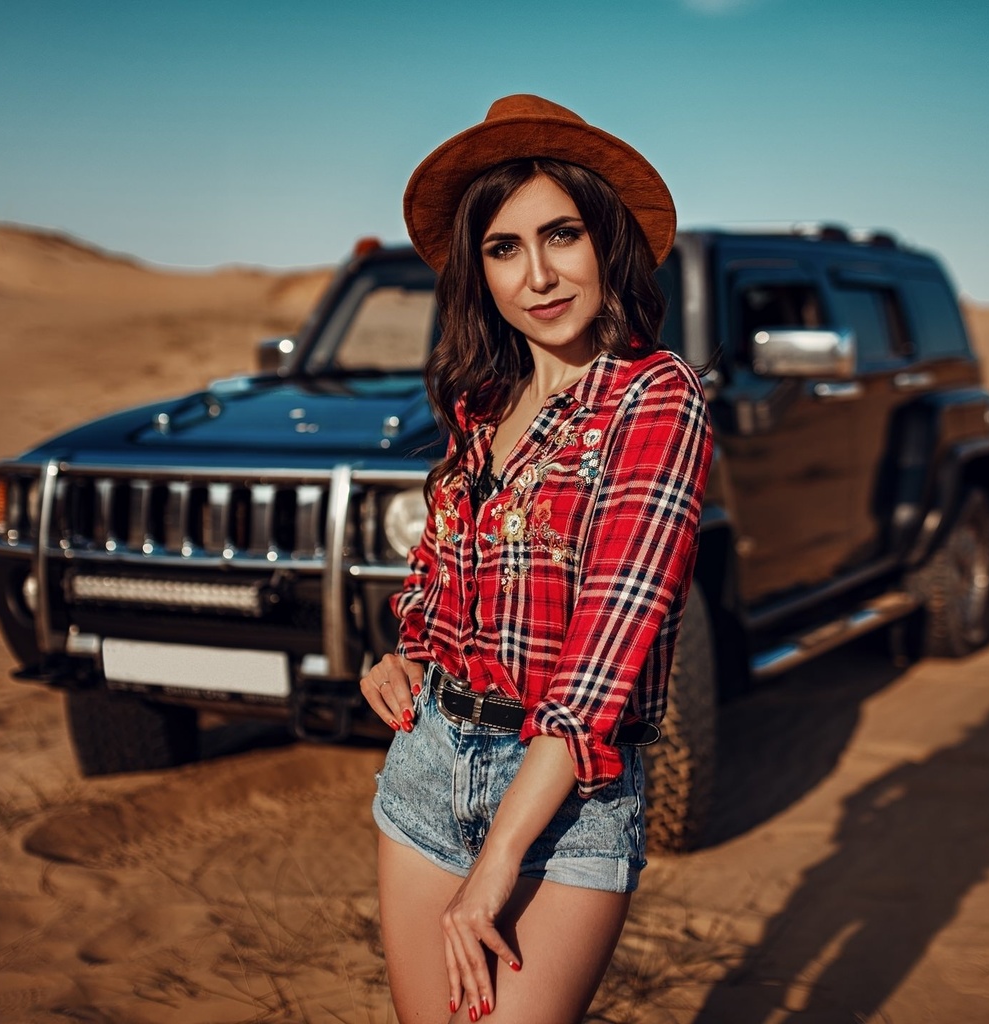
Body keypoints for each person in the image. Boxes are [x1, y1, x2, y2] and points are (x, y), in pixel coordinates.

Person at [359, 94, 713, 1024]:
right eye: (504, 248)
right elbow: (436, 579)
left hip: (568, 802)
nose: (540, 276)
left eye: (562, 236)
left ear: (607, 242)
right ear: (479, 271)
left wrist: (497, 864)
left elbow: (604, 659)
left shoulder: (656, 399)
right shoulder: (481, 402)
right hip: (427, 765)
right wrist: (406, 656)